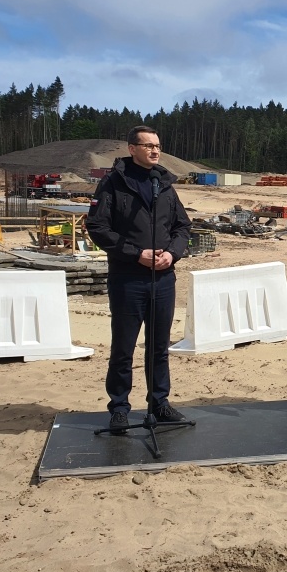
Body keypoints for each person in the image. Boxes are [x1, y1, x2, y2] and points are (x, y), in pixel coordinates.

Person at [86, 125, 192, 433]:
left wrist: (172, 253)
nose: (155, 151)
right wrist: (136, 253)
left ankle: (159, 403)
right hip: (128, 279)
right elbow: (98, 227)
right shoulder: (112, 184)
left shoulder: (165, 185)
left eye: (158, 146)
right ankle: (119, 407)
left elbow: (182, 227)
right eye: (148, 146)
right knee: (123, 347)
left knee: (159, 347)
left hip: (163, 279)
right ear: (132, 149)